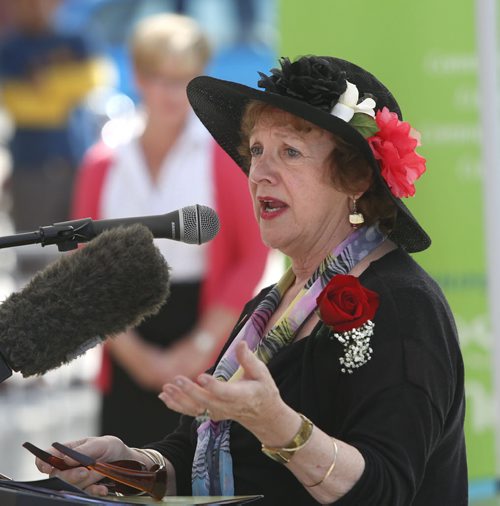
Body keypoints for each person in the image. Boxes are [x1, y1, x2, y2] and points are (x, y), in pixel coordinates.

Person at [35, 55, 467, 505]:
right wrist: (128, 465)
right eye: (257, 151)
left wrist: (278, 425)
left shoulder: (403, 305)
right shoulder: (268, 306)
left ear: (355, 177)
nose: (259, 173)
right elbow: (196, 453)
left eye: (290, 152)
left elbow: (386, 491)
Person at [71, 13, 269, 447]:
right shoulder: (103, 161)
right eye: (160, 77)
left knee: (198, 470)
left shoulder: (221, 157)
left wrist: (200, 344)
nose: (172, 93)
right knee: (120, 471)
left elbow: (251, 255)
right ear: (137, 76)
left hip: (204, 327)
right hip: (121, 330)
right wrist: (132, 352)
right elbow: (80, 260)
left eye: (184, 79)